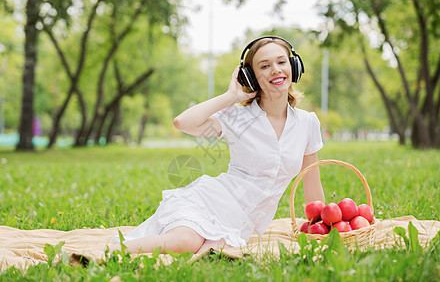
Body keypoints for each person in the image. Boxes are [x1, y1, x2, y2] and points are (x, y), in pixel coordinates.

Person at [110, 36, 325, 255]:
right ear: (251, 77)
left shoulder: (307, 123)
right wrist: (231, 96)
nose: (275, 70)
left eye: (281, 62)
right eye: (264, 66)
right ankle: (113, 249)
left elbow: (312, 188)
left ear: (294, 66)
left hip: (244, 226)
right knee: (186, 242)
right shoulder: (239, 117)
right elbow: (182, 123)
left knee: (215, 252)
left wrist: (323, 227)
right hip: (210, 202)